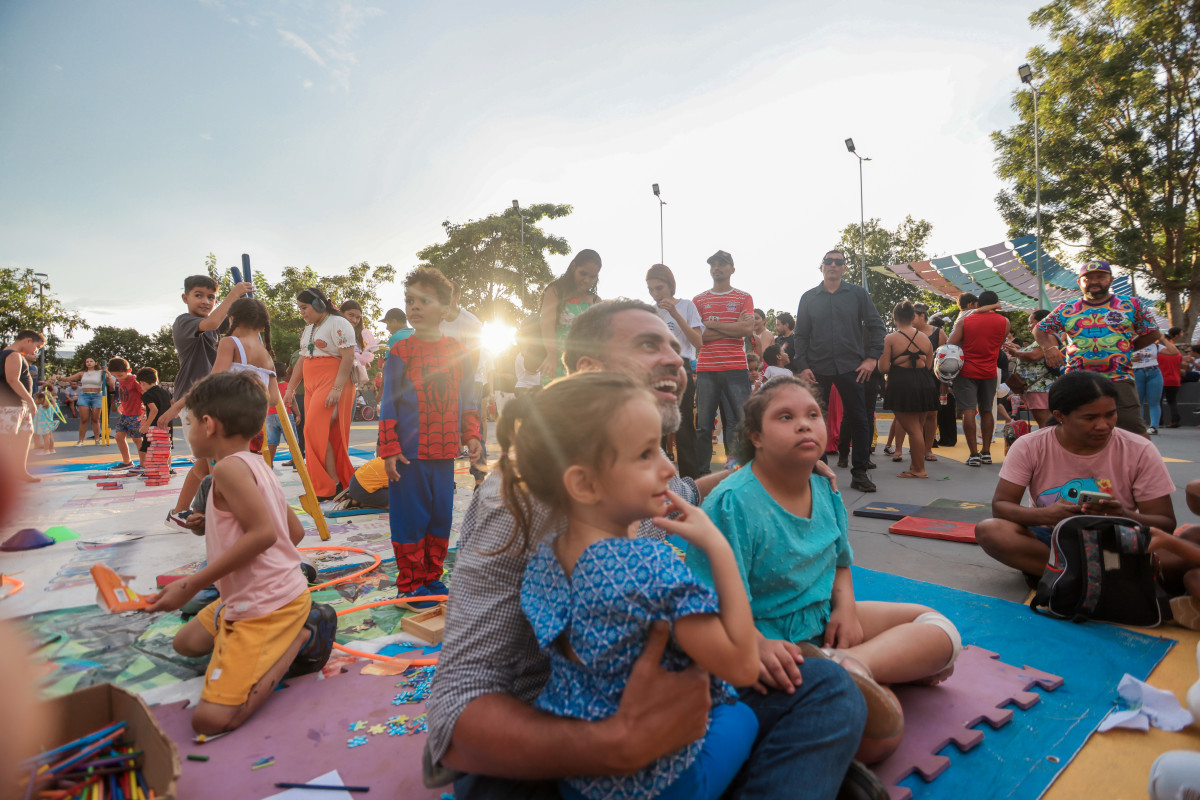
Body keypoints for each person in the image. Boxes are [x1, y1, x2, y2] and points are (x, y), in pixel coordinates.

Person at [425, 299, 866, 800]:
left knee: (826, 689)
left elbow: (687, 494)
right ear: (588, 371)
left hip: (675, 699)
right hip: (560, 726)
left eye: (676, 348)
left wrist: (778, 465)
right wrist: (614, 744)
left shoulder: (635, 483)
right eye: (648, 344)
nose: (676, 358)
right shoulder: (518, 500)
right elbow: (457, 704)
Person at [498, 372, 760, 799]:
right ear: (583, 483)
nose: (669, 466)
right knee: (744, 716)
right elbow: (742, 665)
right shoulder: (650, 569)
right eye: (645, 454)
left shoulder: (545, 555)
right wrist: (717, 545)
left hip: (578, 777)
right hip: (658, 782)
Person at [688, 375, 961, 761]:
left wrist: (846, 608)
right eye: (784, 417)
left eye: (813, 414)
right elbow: (708, 602)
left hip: (821, 620)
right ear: (756, 437)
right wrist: (757, 643)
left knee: (940, 630)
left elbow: (840, 561)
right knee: (882, 738)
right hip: (770, 644)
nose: (804, 424)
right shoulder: (733, 503)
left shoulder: (823, 487)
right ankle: (847, 677)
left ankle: (849, 665)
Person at [145, 372, 336, 734]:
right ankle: (278, 620)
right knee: (185, 644)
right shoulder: (255, 463)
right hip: (258, 592)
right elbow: (292, 531)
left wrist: (189, 585)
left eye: (187, 423)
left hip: (265, 605)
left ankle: (299, 637)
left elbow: (264, 533)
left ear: (208, 424)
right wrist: (214, 524)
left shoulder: (229, 470)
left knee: (210, 720)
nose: (187, 432)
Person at [975, 371, 1176, 581]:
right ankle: (1097, 577)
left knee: (1177, 557)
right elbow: (1001, 506)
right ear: (1060, 416)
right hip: (1053, 536)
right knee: (990, 531)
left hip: (1116, 538)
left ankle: (1063, 574)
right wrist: (1050, 515)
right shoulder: (1030, 446)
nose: (1103, 425)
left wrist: (1122, 515)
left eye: (1110, 414)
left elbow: (1165, 523)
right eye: (1090, 418)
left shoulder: (1139, 449)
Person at [378, 267, 482, 605]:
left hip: (444, 454)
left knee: (441, 516)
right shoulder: (400, 352)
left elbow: (468, 398)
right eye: (410, 300)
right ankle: (410, 583)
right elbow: (388, 402)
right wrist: (390, 448)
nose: (415, 307)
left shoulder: (458, 352)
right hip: (408, 454)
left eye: (425, 300)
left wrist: (472, 435)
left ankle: (432, 577)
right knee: (411, 518)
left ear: (446, 308)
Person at [161, 274, 254, 521]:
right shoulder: (185, 322)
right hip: (193, 401)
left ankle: (179, 512)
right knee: (216, 462)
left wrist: (244, 306)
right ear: (185, 298)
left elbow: (230, 323)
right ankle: (222, 515)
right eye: (198, 295)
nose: (206, 301)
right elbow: (214, 322)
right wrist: (233, 294)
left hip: (209, 398)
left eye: (211, 297)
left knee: (203, 465)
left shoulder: (214, 330)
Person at [794, 249, 886, 492]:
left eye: (839, 262)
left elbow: (877, 326)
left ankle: (860, 472)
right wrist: (802, 365)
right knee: (814, 421)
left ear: (845, 268)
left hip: (852, 367)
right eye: (829, 261)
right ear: (821, 266)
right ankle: (820, 472)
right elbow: (800, 335)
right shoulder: (808, 298)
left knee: (859, 419)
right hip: (817, 368)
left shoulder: (857, 294)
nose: (833, 265)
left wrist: (872, 358)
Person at [1035, 259, 1160, 434]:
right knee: (1058, 428)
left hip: (1118, 378)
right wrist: (1049, 349)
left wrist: (1128, 348)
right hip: (1077, 380)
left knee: (1134, 431)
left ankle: (1145, 462)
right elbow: (1039, 329)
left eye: (1100, 277)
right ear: (1079, 282)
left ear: (1111, 280)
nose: (1094, 282)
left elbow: (1153, 332)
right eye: (1088, 278)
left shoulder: (1132, 305)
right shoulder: (1067, 309)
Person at [283, 288, 356, 501]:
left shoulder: (338, 323)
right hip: (312, 384)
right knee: (322, 433)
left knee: (312, 430)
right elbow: (302, 360)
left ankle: (329, 484)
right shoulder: (308, 329)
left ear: (318, 305)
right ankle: (336, 482)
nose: (302, 313)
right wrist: (289, 388)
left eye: (304, 308)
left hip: (332, 381)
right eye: (300, 309)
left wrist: (337, 388)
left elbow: (348, 357)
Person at [694, 250, 756, 473]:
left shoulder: (743, 297)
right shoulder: (699, 300)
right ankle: (701, 477)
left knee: (739, 425)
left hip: (736, 368)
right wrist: (733, 328)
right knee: (703, 427)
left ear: (732, 269)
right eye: (713, 264)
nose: (717, 268)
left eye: (722, 264)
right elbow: (698, 337)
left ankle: (737, 472)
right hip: (706, 369)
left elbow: (747, 329)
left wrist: (711, 325)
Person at [647, 263, 704, 479]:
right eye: (650, 289)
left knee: (684, 427)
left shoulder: (687, 306)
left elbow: (698, 342)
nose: (655, 294)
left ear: (670, 285)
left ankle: (692, 483)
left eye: (659, 288)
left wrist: (674, 313)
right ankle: (656, 480)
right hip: (655, 370)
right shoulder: (650, 310)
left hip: (681, 367)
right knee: (656, 425)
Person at [948, 290, 1009, 467]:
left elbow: (951, 344)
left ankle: (974, 454)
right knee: (987, 411)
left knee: (968, 411)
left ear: (978, 304)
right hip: (990, 371)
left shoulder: (965, 320)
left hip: (967, 371)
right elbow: (999, 344)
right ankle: (987, 452)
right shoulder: (1004, 322)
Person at [878, 302, 938, 478]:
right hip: (924, 383)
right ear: (913, 317)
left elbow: (883, 368)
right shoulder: (926, 339)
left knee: (913, 430)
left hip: (902, 383)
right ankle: (915, 466)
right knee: (917, 428)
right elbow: (928, 366)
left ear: (894, 317)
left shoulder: (890, 339)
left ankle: (919, 469)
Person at [539, 250, 602, 382]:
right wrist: (551, 355)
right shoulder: (556, 291)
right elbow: (547, 324)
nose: (587, 280)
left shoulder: (596, 301)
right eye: (583, 273)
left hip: (586, 365)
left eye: (592, 276)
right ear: (573, 267)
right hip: (556, 361)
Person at [1003, 309, 1057, 428]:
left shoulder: (1049, 338)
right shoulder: (1042, 339)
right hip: (1035, 387)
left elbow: (1034, 355)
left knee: (1045, 424)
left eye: (1031, 322)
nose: (1028, 326)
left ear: (1041, 322)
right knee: (1043, 423)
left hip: (1041, 387)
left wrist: (1016, 352)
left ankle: (1047, 446)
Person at [1131, 331, 1180, 435]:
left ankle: (1154, 426)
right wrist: (1130, 359)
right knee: (1138, 402)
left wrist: (1163, 339)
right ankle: (1141, 426)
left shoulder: (1155, 346)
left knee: (1154, 402)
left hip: (1154, 372)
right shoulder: (1129, 345)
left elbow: (1174, 352)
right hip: (1137, 372)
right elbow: (1119, 359)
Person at [913, 303, 945, 456]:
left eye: (913, 316)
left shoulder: (938, 333)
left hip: (932, 378)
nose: (910, 320)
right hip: (912, 376)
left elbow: (946, 359)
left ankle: (928, 449)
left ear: (922, 316)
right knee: (915, 414)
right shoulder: (907, 332)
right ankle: (917, 447)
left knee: (932, 413)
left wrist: (944, 383)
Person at [56, 356, 107, 445]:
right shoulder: (82, 373)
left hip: (97, 395)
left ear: (95, 363)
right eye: (87, 361)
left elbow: (110, 382)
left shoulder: (101, 372)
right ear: (85, 364)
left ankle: (97, 439)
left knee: (95, 419)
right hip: (84, 395)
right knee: (84, 419)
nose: (89, 363)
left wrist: (107, 372)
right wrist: (58, 376)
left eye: (91, 361)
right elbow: (68, 379)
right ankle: (81, 440)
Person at [107, 357, 145, 469]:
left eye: (120, 376)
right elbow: (123, 394)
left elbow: (144, 393)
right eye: (115, 376)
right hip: (125, 414)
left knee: (137, 439)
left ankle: (143, 464)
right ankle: (127, 461)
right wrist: (120, 404)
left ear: (129, 371)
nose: (118, 378)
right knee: (118, 436)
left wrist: (145, 408)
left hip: (136, 414)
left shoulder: (135, 381)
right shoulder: (121, 380)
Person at [339, 300, 381, 387]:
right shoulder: (335, 332)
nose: (354, 320)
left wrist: (364, 359)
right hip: (335, 381)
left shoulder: (359, 338)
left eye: (358, 317)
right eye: (350, 315)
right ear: (341, 314)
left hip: (352, 383)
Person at [137, 368, 173, 458]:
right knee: (165, 447)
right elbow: (173, 403)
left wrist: (146, 426)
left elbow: (154, 410)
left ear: (142, 383)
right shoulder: (165, 392)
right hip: (167, 424)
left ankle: (152, 470)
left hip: (154, 427)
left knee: (150, 449)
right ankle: (167, 468)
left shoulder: (147, 395)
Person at [265, 361, 295, 466]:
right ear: (285, 374)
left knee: (271, 442)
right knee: (292, 440)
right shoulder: (287, 385)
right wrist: (298, 414)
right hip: (286, 415)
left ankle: (269, 463)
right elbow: (293, 401)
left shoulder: (268, 386)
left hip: (269, 415)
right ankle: (296, 463)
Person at [1160, 328, 1185, 428]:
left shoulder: (1159, 354)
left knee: (1158, 402)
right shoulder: (1177, 354)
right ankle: (1175, 421)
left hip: (1162, 379)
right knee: (1172, 401)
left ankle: (1159, 422)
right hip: (1175, 380)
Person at [32, 388, 63, 454]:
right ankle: (52, 449)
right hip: (49, 424)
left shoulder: (44, 406)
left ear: (41, 399)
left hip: (44, 424)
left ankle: (46, 450)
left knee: (46, 437)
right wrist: (53, 401)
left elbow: (45, 401)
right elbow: (54, 408)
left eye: (35, 399)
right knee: (50, 437)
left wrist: (45, 395)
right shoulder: (49, 406)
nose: (34, 400)